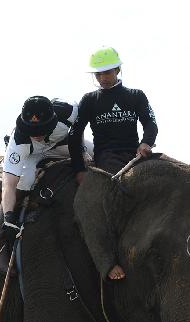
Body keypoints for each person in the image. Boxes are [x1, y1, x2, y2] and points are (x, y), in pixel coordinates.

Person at [67, 47, 158, 281]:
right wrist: (79, 169)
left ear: (118, 69)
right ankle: (106, 262)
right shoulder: (89, 101)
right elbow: (74, 134)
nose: (103, 78)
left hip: (137, 155)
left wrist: (146, 143)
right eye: (98, 74)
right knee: (88, 204)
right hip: (106, 159)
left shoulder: (136, 95)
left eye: (107, 72)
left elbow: (150, 124)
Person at [0, 96, 92, 274]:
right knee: (25, 180)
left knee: (95, 154)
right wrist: (9, 217)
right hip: (32, 154)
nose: (36, 134)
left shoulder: (69, 111)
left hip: (63, 144)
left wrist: (79, 151)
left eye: (40, 129)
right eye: (31, 129)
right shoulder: (19, 141)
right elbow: (8, 183)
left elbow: (81, 125)